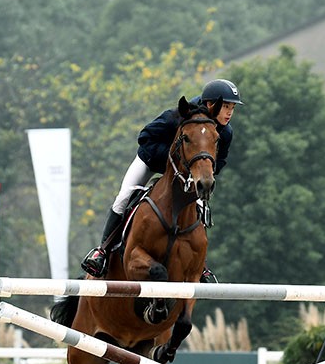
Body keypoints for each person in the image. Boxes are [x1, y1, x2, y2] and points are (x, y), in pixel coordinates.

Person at [81, 78, 243, 282]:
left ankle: (200, 267)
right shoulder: (175, 117)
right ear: (212, 104)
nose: (229, 112)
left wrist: (202, 170)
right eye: (226, 106)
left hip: (188, 170)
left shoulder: (225, 132)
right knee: (125, 196)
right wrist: (173, 159)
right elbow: (145, 137)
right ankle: (102, 252)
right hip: (151, 160)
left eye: (232, 108)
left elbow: (220, 160)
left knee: (199, 209)